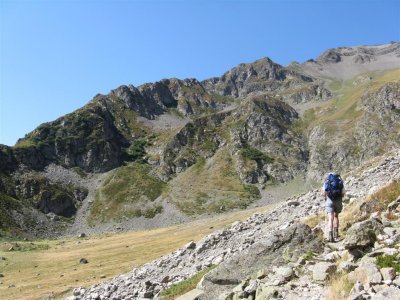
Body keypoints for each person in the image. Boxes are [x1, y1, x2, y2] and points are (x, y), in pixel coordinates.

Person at [323, 172, 345, 242]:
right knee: (336, 216)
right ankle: (336, 234)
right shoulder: (339, 181)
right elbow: (343, 193)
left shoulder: (327, 182)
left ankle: (330, 236)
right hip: (338, 201)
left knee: (330, 218)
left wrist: (325, 199)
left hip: (329, 200)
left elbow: (323, 193)